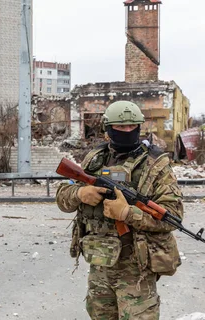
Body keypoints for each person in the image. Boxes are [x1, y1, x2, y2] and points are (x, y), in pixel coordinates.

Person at [56, 100, 184, 319]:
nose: (126, 131)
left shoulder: (156, 165)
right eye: (120, 126)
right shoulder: (94, 159)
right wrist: (80, 194)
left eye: (131, 126)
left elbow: (172, 217)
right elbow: (62, 198)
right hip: (100, 262)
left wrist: (127, 213)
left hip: (137, 269)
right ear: (108, 128)